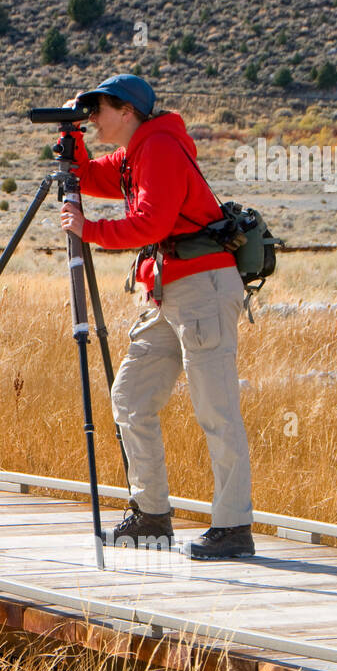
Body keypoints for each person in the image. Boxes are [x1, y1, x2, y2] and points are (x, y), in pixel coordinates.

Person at [57, 74, 255, 560]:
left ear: (127, 111)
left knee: (216, 409)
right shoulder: (135, 152)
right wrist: (70, 135)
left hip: (203, 288)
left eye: (96, 110)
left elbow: (153, 222)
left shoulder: (160, 147)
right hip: (167, 290)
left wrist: (90, 231)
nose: (92, 118)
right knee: (130, 397)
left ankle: (233, 527)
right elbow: (87, 175)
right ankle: (151, 516)